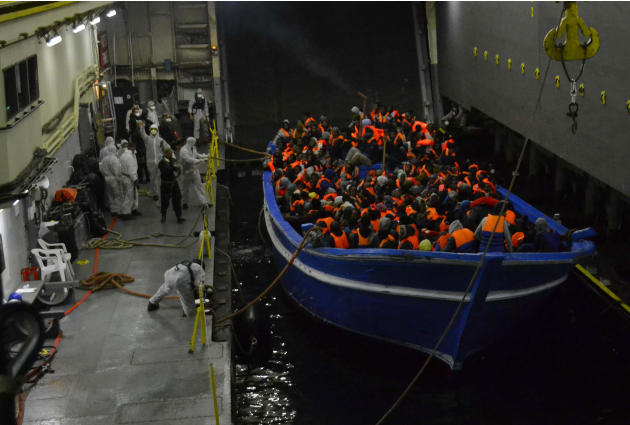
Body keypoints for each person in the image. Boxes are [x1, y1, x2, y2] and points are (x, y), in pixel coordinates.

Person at [140, 124, 170, 200]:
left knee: (159, 177)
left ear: (157, 130)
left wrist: (170, 158)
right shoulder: (147, 139)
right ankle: (154, 192)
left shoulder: (161, 140)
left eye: (155, 129)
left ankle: (157, 193)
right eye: (152, 129)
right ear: (150, 130)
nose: (153, 130)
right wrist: (142, 127)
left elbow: (168, 148)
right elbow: (142, 134)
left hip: (159, 162)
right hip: (150, 162)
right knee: (152, 178)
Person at [179, 137, 209, 209]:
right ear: (190, 142)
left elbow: (197, 155)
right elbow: (189, 160)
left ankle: (204, 202)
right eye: (193, 143)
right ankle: (184, 203)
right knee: (185, 189)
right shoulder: (183, 151)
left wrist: (205, 156)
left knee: (200, 186)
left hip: (195, 171)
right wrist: (201, 161)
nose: (194, 144)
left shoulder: (193, 148)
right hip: (186, 172)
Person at [158, 148, 185, 223]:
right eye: (169, 153)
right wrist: (174, 168)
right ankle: (163, 216)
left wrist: (179, 168)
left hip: (174, 183)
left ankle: (179, 216)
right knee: (165, 201)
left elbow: (177, 167)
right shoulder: (162, 162)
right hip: (166, 184)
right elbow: (166, 171)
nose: (170, 154)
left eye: (171, 153)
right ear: (165, 154)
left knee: (177, 199)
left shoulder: (173, 160)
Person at [119, 141, 141, 219]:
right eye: (134, 148)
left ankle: (133, 209)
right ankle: (126, 213)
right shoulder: (129, 157)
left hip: (124, 177)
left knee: (131, 195)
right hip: (129, 178)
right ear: (132, 148)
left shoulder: (123, 155)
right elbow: (131, 170)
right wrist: (135, 180)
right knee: (129, 196)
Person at [99, 145, 122, 216]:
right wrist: (119, 179)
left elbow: (101, 170)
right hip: (113, 179)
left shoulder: (104, 159)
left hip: (106, 179)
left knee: (110, 195)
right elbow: (117, 171)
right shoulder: (114, 159)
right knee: (117, 195)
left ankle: (112, 209)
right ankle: (118, 210)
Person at [128, 105, 149, 183]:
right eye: (136, 110)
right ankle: (143, 178)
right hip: (140, 148)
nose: (137, 111)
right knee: (141, 165)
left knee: (143, 164)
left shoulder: (140, 130)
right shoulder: (133, 123)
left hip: (142, 148)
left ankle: (146, 178)